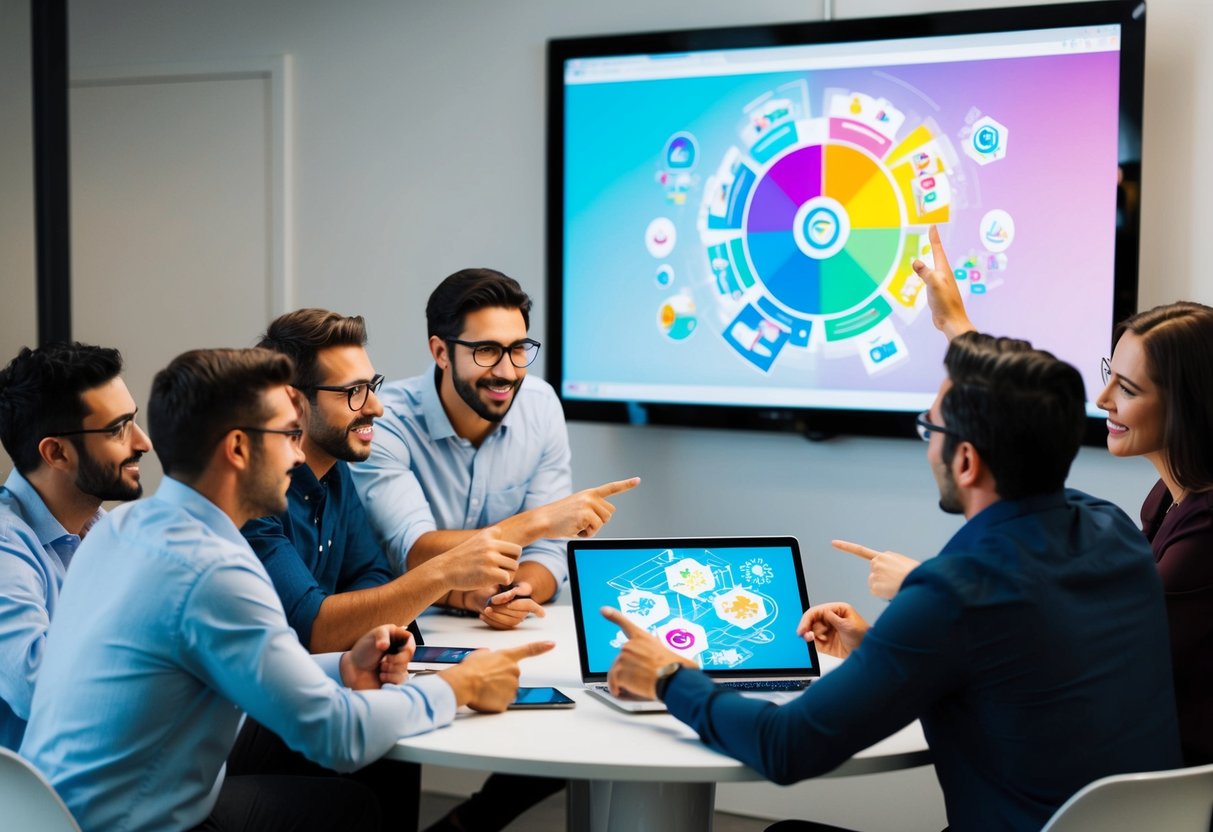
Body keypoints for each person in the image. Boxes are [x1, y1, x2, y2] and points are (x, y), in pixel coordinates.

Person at [604, 331, 1182, 832]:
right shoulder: (1116, 533)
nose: (927, 442)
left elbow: (786, 748)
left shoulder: (956, 593)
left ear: (965, 462)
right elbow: (1019, 663)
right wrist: (876, 646)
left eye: (930, 427)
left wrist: (668, 676)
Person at [19, 347, 551, 832]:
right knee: (355, 805)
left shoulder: (122, 527)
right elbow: (338, 736)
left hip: (52, 814)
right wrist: (458, 687)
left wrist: (341, 666)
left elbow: (209, 667)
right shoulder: (215, 570)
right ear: (237, 448)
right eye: (287, 436)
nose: (299, 458)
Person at [847, 226, 1213, 765]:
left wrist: (926, 587)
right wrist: (955, 327)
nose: (1104, 397)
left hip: (1145, 791)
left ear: (1189, 406)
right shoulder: (1168, 498)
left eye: (1128, 390)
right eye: (1110, 373)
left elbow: (1085, 643)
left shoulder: (1203, 533)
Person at [349, 269, 636, 831]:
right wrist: (541, 521)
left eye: (518, 349)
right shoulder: (386, 423)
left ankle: (471, 823)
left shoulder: (541, 406)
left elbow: (551, 556)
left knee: (587, 708)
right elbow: (416, 548)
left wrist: (519, 590)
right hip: (404, 632)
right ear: (440, 350)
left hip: (490, 625)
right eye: (485, 351)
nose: (507, 371)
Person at [238, 308, 524, 832]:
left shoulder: (336, 474)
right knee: (381, 746)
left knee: (388, 721)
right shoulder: (256, 496)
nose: (377, 407)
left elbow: (370, 573)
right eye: (353, 393)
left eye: (372, 385)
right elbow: (317, 626)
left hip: (307, 688)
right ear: (295, 403)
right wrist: (443, 574)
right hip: (239, 727)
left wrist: (363, 624)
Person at [0, 342, 152, 751]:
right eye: (118, 428)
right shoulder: (5, 544)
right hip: (50, 803)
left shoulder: (102, 531)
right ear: (56, 452)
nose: (143, 442)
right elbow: (37, 687)